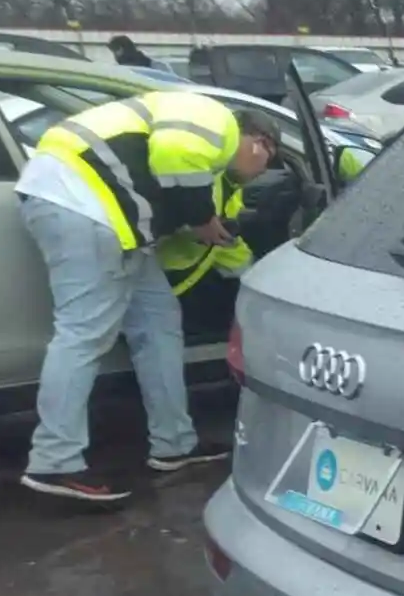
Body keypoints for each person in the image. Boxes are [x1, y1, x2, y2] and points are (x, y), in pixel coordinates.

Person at [15, 93, 279, 503]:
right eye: (268, 162)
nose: (263, 172)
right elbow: (176, 153)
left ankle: (174, 443)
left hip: (104, 215)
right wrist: (200, 218)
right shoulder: (216, 121)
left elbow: (216, 241)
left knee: (158, 322)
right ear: (259, 143)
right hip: (86, 203)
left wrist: (259, 281)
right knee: (83, 334)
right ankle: (55, 461)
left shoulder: (218, 174)